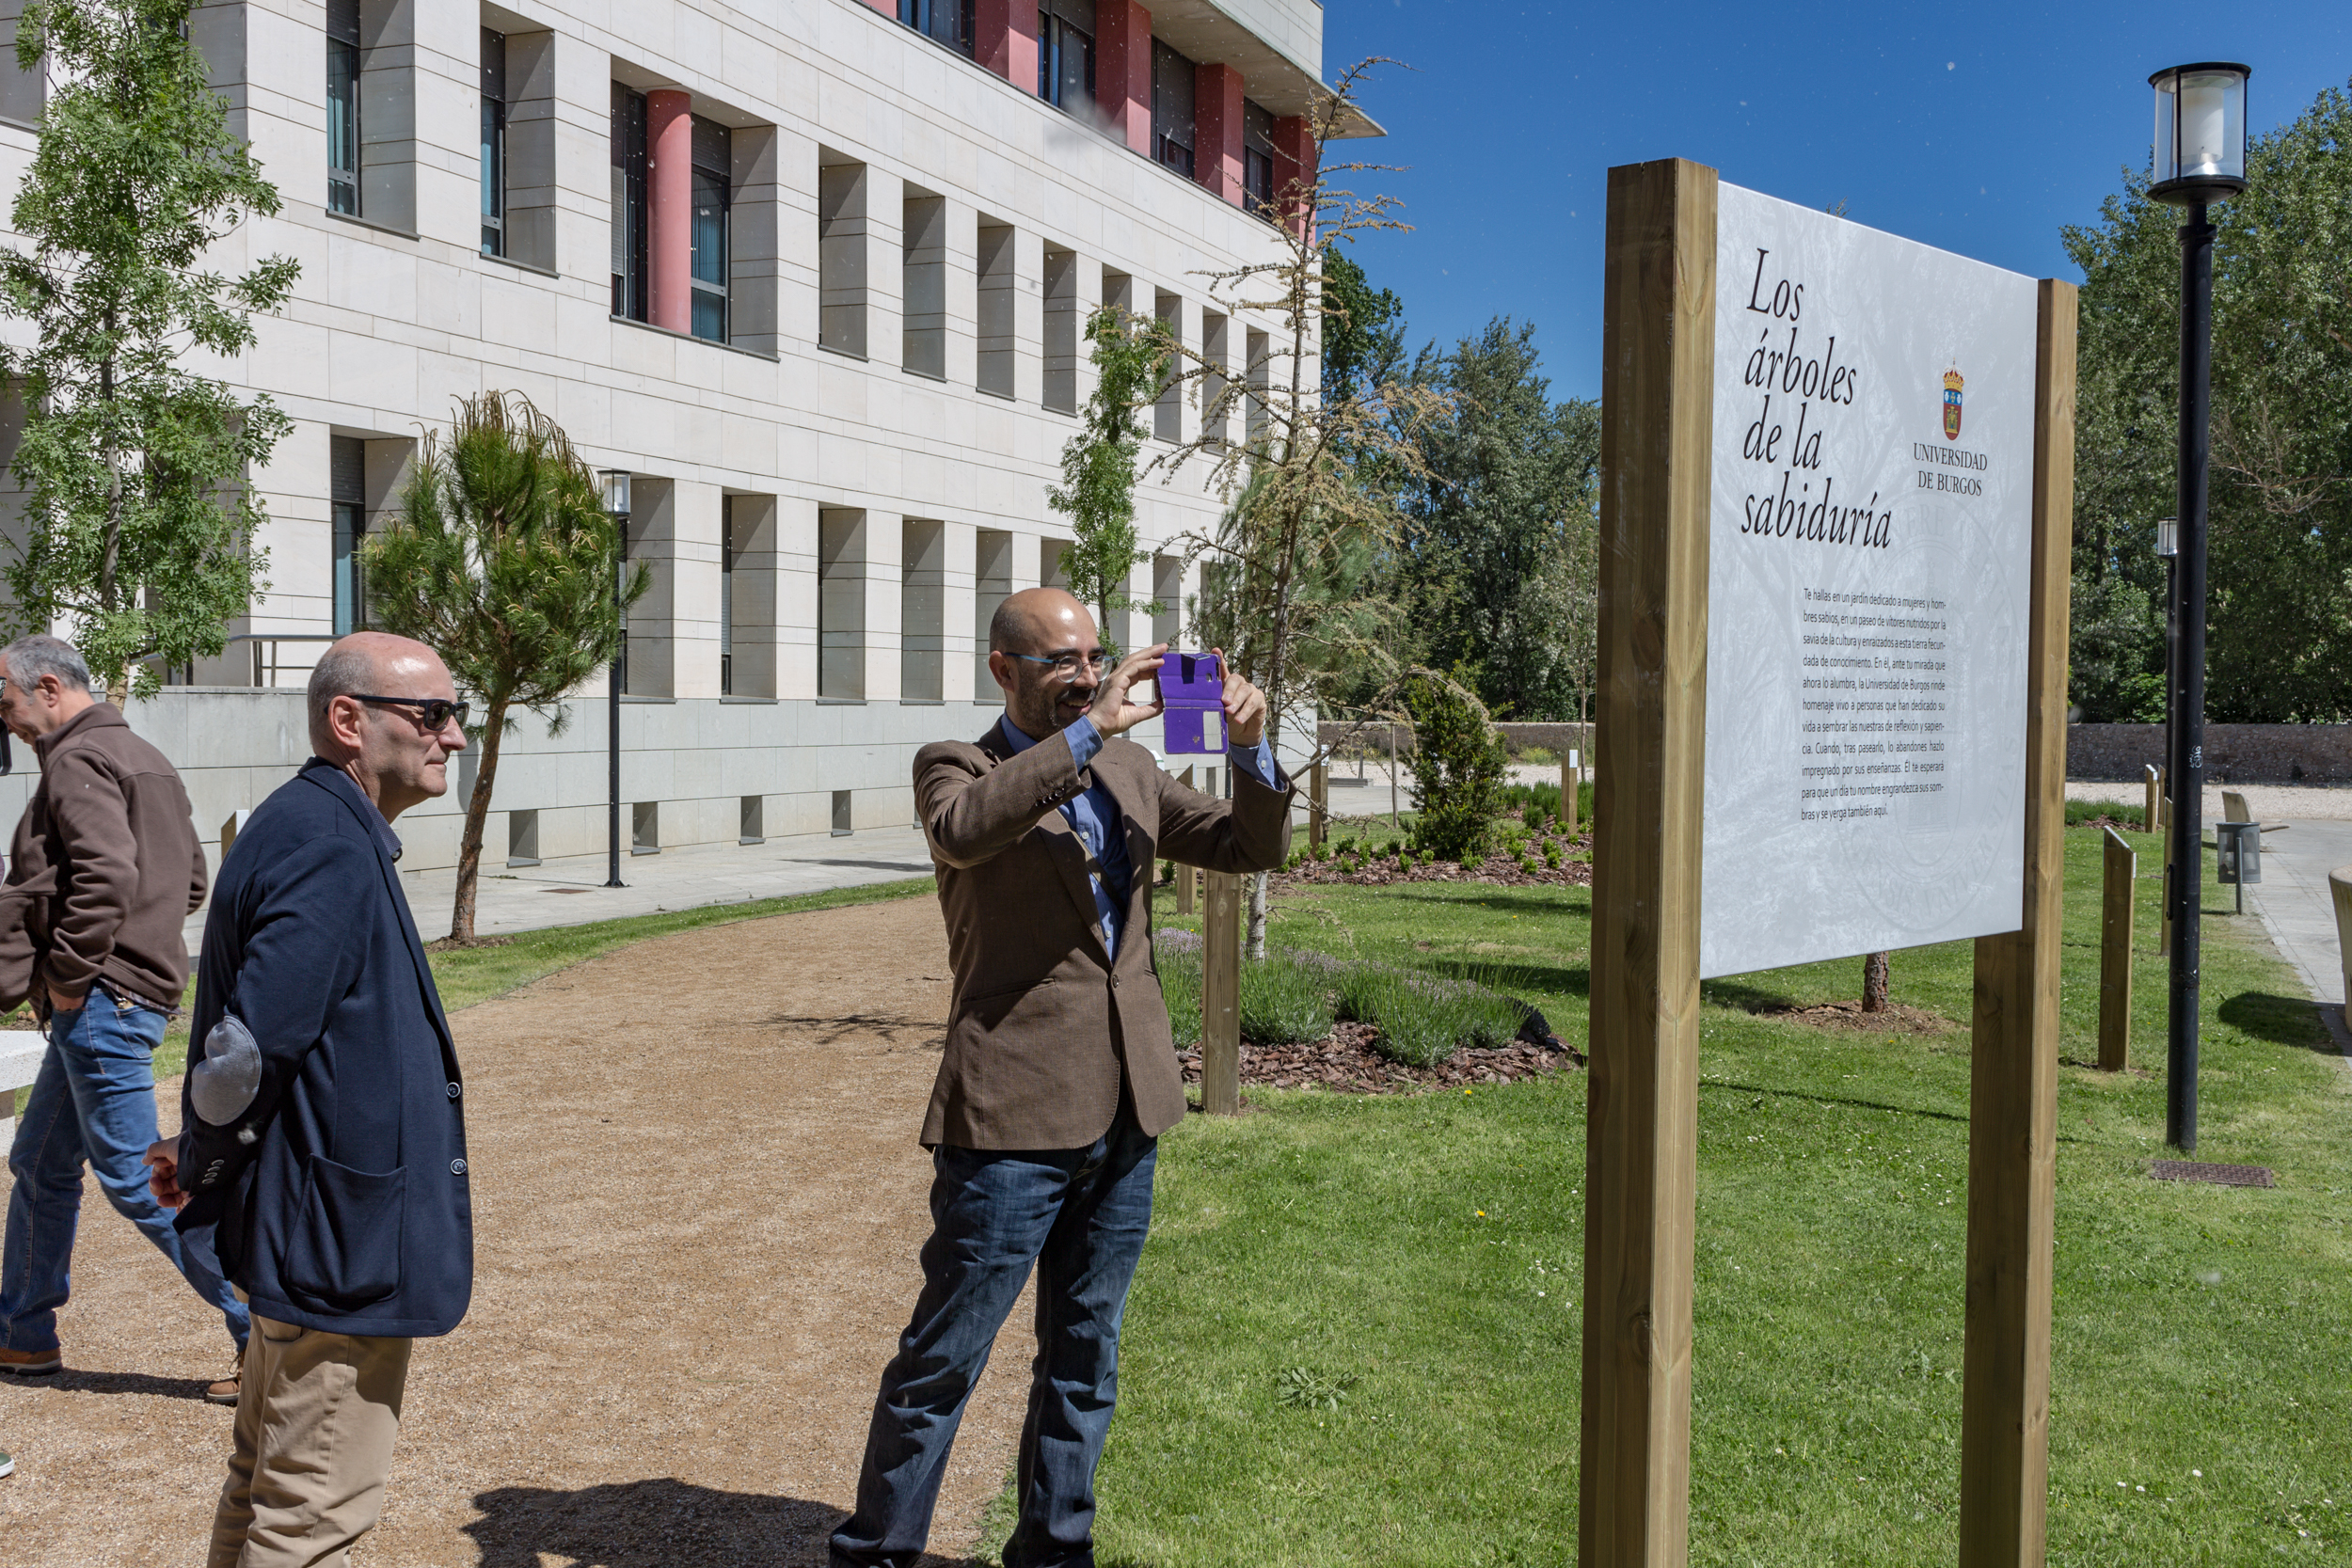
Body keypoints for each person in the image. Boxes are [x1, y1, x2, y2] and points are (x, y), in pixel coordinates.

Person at [832, 588, 1293, 1568]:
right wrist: (1087, 730)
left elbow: (1247, 845)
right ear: (1004, 668)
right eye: (1061, 661)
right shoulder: (958, 766)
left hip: (1127, 1110)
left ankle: (1054, 1548)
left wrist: (1251, 747)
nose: (1087, 674)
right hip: (1010, 1115)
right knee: (943, 1359)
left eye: (1095, 656)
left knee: (1086, 1355)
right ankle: (875, 1551)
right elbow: (965, 829)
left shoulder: (1129, 766)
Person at [144, 631, 473, 1568]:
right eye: (433, 714)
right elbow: (249, 1051)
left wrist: (193, 1143)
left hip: (313, 1228)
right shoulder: (328, 839)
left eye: (456, 715)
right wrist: (204, 1155)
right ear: (348, 720)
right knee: (310, 1519)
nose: (452, 737)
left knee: (264, 1491)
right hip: (338, 1245)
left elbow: (261, 1042)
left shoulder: (306, 822)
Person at [0, 635, 246, 1401]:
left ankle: (266, 1326)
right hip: (119, 995)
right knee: (40, 1165)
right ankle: (23, 1336)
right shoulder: (142, 754)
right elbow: (194, 881)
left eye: (4, 700)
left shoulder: (76, 761)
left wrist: (73, 976)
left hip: (102, 1001)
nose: (4, 719)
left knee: (145, 1180)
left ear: (46, 686)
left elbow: (106, 873)